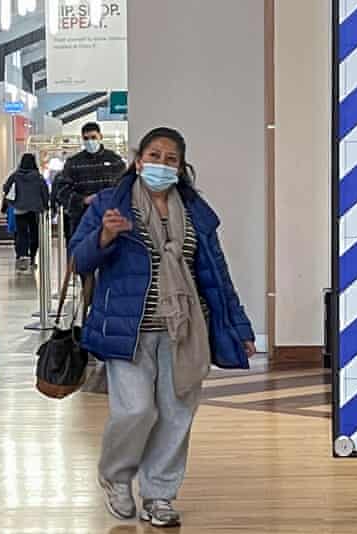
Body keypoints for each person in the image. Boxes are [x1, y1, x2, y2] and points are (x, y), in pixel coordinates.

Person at [70, 127, 256, 528]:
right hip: (129, 331)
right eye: (154, 156)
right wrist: (105, 235)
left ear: (181, 167)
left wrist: (239, 326)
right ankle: (116, 477)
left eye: (170, 159)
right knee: (135, 410)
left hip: (185, 331)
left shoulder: (195, 214)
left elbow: (216, 275)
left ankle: (159, 494)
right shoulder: (110, 205)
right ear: (138, 161)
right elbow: (78, 260)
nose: (161, 164)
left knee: (176, 415)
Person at [57, 122, 125, 241]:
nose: (90, 141)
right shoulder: (73, 163)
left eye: (93, 137)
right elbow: (62, 191)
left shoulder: (115, 161)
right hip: (82, 221)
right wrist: (83, 200)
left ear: (100, 137)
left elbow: (124, 187)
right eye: (86, 138)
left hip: (110, 218)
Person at [4, 154, 50, 272]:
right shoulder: (38, 177)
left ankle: (22, 256)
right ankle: (32, 257)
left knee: (21, 234)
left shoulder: (15, 175)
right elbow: (44, 192)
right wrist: (46, 206)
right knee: (34, 234)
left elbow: (6, 188)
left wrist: (14, 200)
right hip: (35, 209)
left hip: (19, 209)